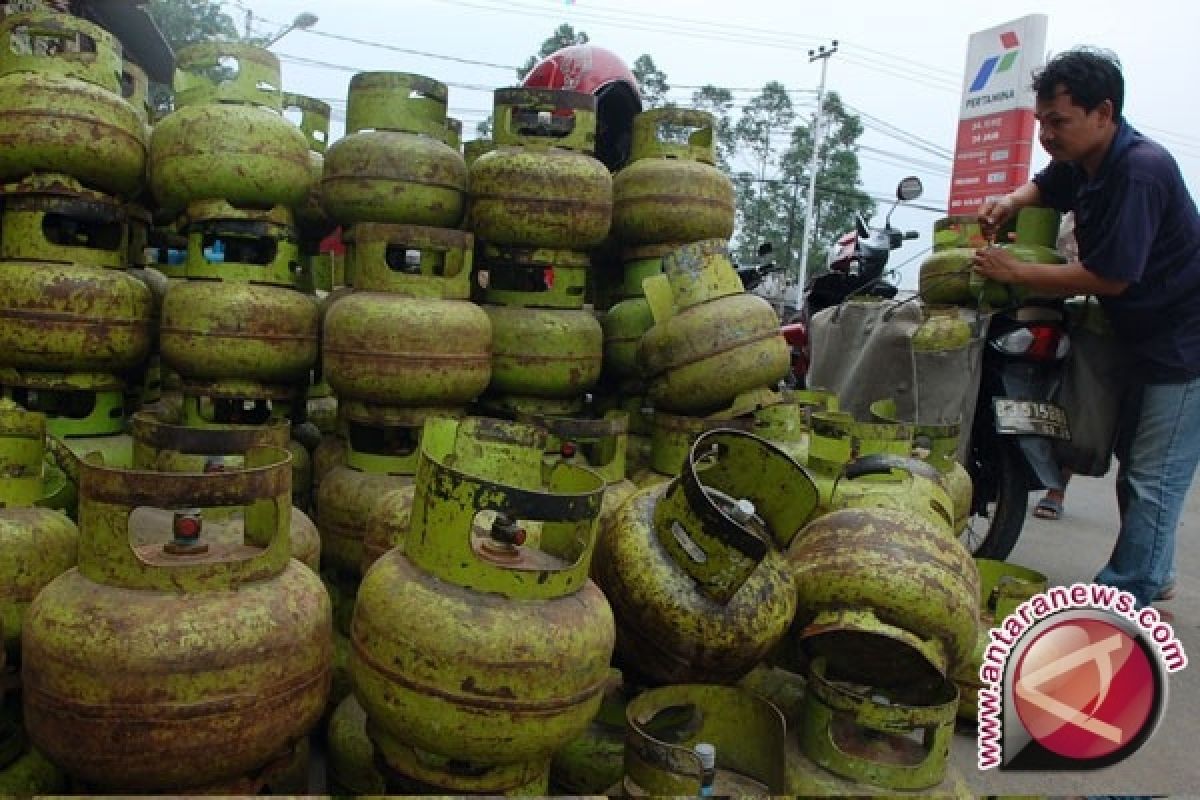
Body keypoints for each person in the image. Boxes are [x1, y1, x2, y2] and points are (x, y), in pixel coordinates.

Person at [973, 47, 1200, 609]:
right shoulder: (1086, 160)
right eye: (1041, 122)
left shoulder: (1141, 170)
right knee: (1138, 471)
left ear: (1104, 112)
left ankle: (1125, 594)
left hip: (1186, 345)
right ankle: (1154, 569)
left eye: (1059, 122)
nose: (1048, 134)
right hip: (1144, 338)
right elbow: (1047, 186)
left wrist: (1016, 271)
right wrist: (1008, 202)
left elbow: (1114, 276)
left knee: (1153, 475)